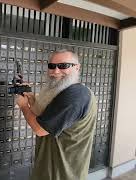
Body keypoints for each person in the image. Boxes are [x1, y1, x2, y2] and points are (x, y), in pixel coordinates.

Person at [16, 49, 97, 180]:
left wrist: (24, 106)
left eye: (63, 66)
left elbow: (40, 129)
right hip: (49, 168)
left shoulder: (76, 95)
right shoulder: (64, 92)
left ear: (77, 68)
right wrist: (31, 98)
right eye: (52, 66)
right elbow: (46, 115)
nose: (56, 71)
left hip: (62, 173)